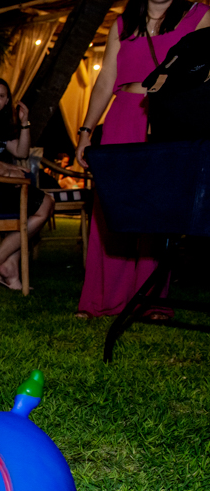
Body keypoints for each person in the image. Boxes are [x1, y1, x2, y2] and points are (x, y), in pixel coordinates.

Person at [74, 0, 209, 318]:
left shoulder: (199, 15)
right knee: (114, 206)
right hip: (124, 117)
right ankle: (101, 298)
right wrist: (85, 131)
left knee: (156, 208)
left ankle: (151, 298)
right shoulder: (122, 25)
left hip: (169, 118)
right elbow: (107, 79)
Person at [0, 77, 55, 290]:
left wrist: (24, 123)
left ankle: (6, 265)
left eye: (1, 96)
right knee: (43, 205)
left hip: (2, 185)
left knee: (42, 204)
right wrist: (10, 171)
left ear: (7, 99)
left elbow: (21, 152)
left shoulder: (2, 126)